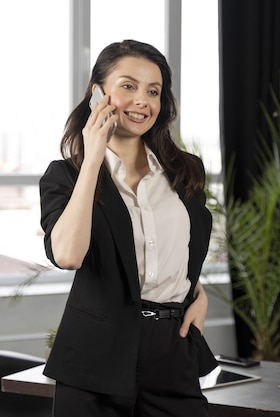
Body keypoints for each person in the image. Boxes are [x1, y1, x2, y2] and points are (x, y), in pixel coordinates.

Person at [39, 39, 217, 417]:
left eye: (153, 91)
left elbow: (175, 252)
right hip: (96, 357)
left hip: (172, 352)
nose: (142, 101)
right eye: (128, 86)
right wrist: (92, 159)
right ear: (97, 95)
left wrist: (197, 293)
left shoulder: (186, 173)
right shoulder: (65, 175)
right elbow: (68, 255)